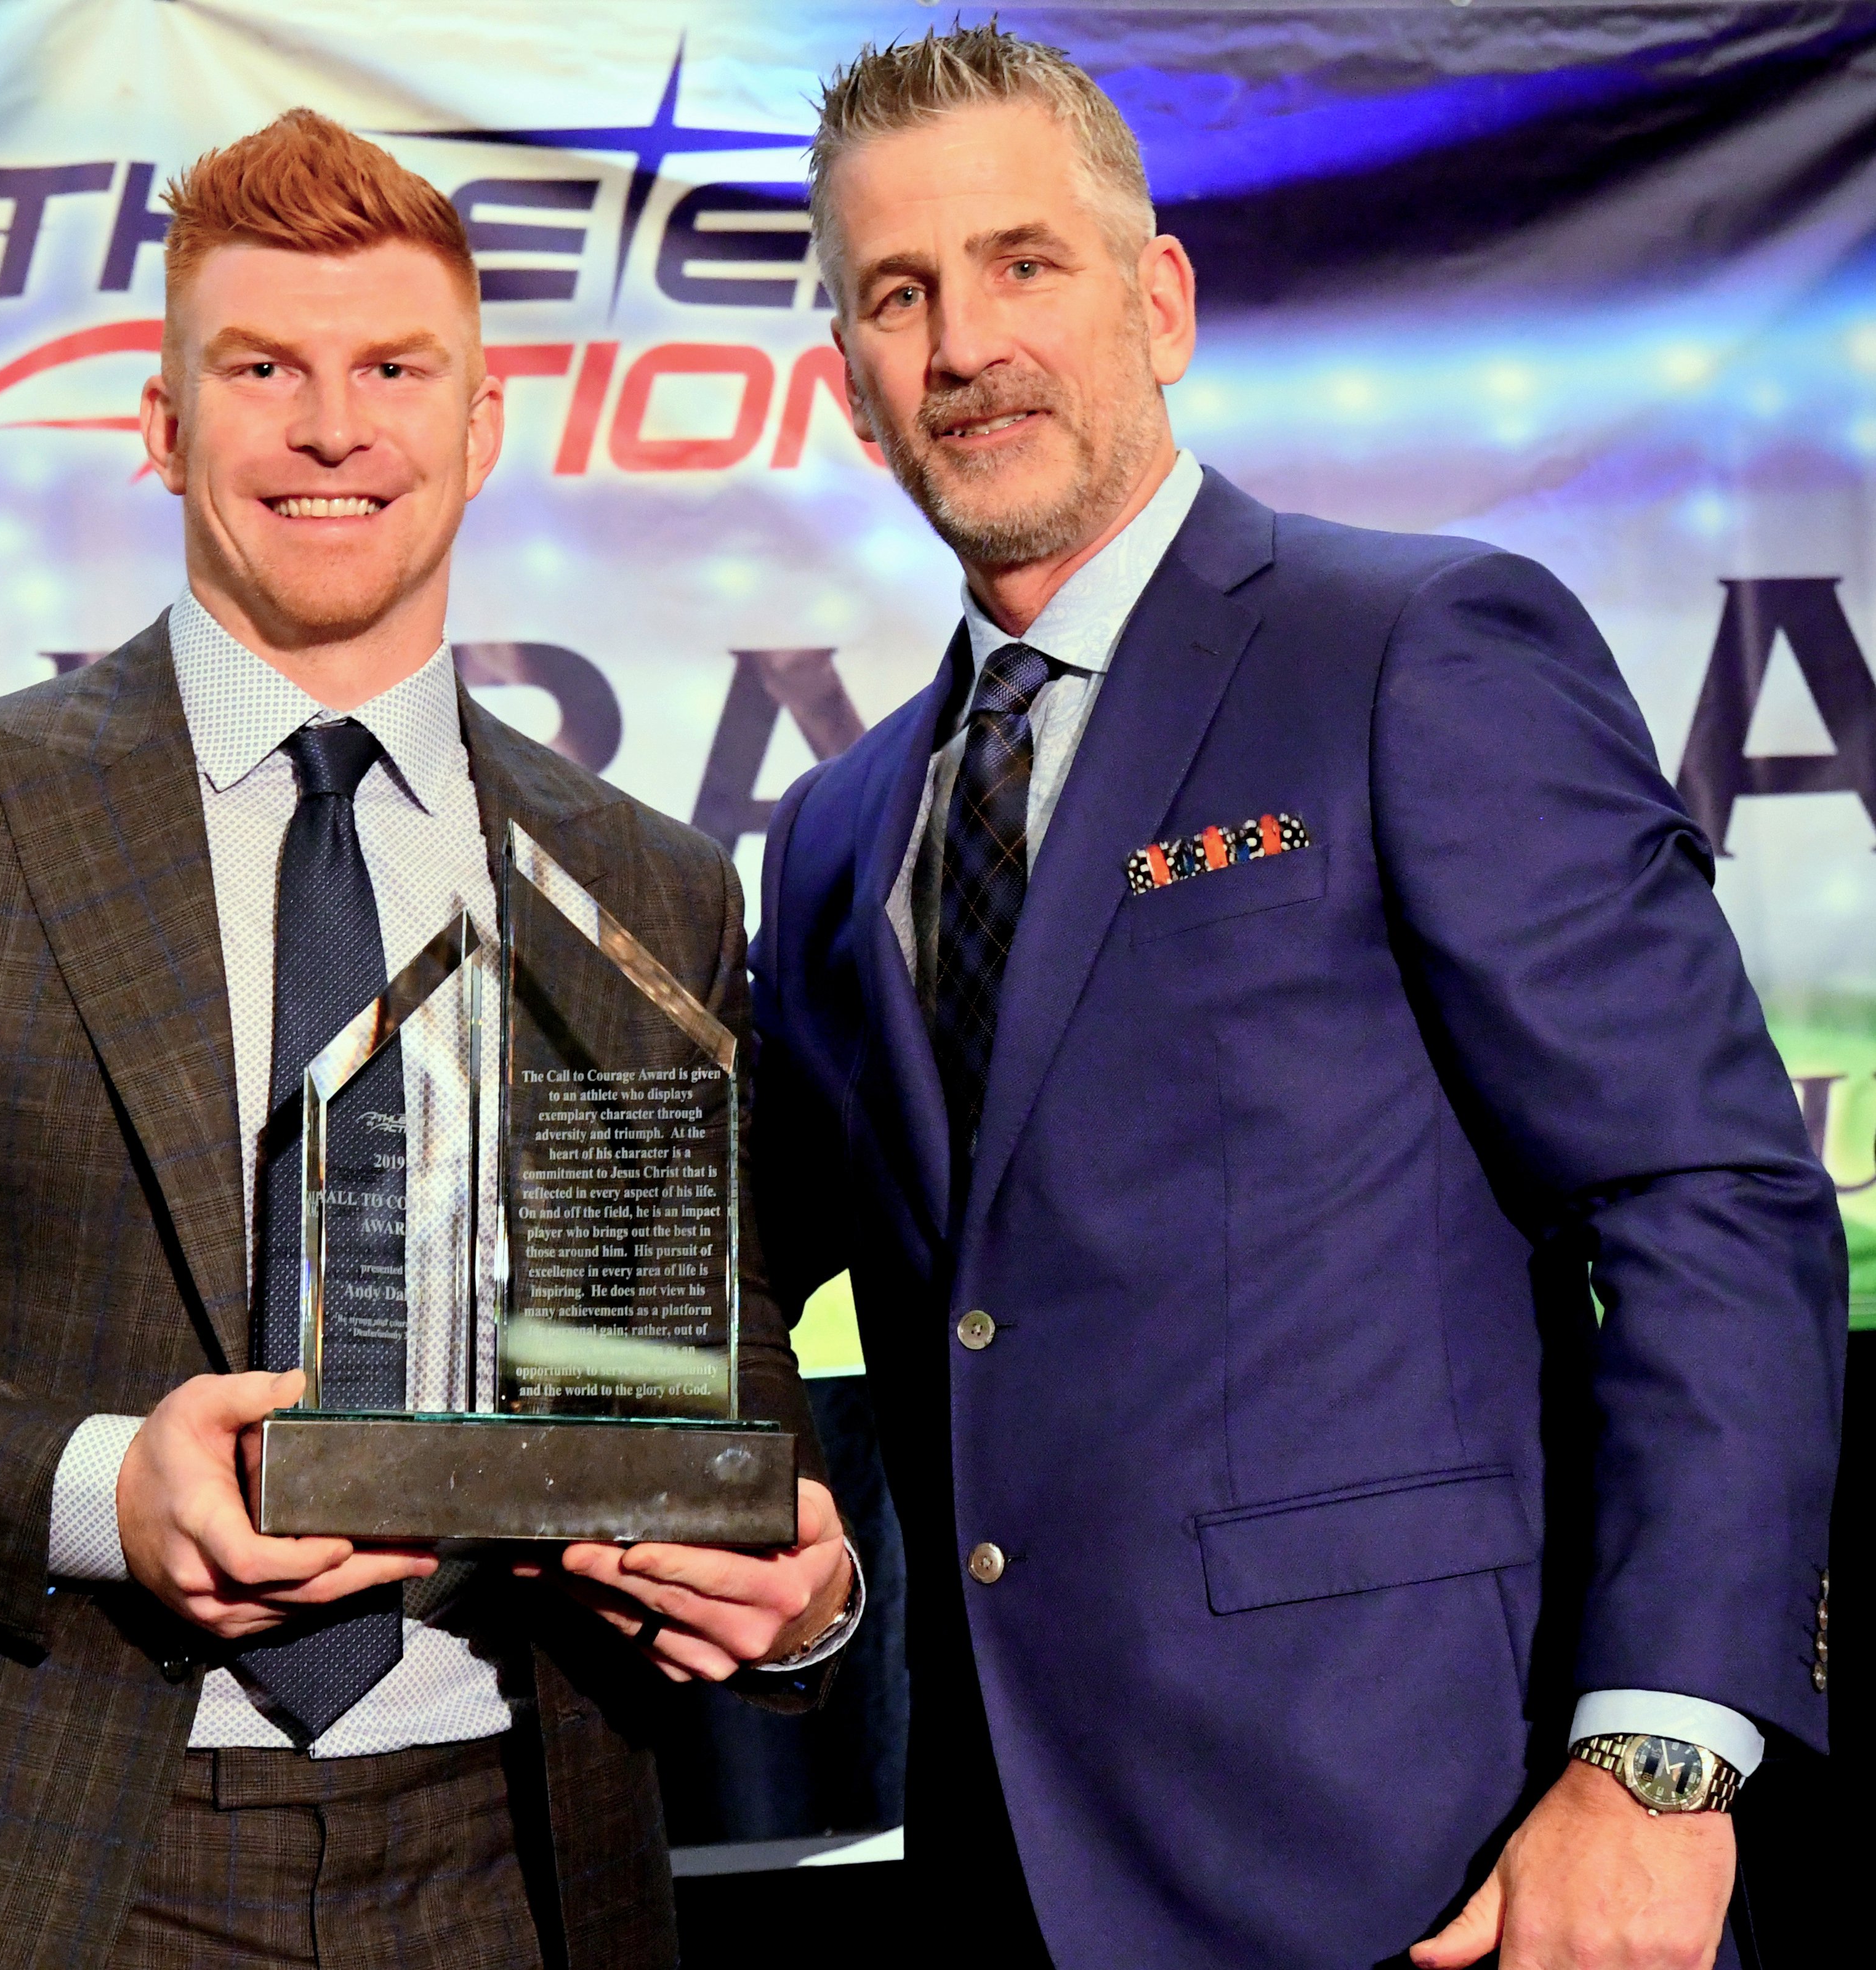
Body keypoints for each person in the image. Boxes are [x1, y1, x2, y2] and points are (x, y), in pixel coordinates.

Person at [0, 109, 856, 1970]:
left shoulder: (644, 880)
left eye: (392, 369)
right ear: (164, 425)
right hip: (42, 1847)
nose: (334, 426)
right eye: (262, 368)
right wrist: (97, 1486)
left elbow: (689, 1378)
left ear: (480, 424)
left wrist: (800, 1586)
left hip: (519, 1851)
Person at [748, 26, 1843, 1970]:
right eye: (895, 296)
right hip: (1008, 1885)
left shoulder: (1418, 648)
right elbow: (719, 1273)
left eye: (1023, 265)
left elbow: (1706, 1205)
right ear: (848, 383)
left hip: (1435, 1870)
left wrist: (1661, 1766)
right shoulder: (834, 834)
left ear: (1155, 302)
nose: (963, 343)